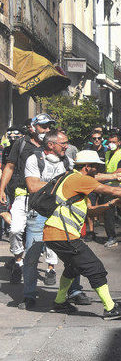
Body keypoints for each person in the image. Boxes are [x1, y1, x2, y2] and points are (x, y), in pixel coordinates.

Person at [44, 150, 121, 319]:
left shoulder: (75, 180)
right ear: (87, 167)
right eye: (96, 166)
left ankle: (60, 302)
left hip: (55, 235)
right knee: (96, 269)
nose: (98, 169)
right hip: (63, 234)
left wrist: (112, 204)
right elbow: (111, 190)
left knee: (73, 268)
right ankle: (110, 308)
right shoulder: (79, 179)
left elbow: (90, 211)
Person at [20, 131, 88, 310]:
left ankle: (74, 291)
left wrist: (112, 177)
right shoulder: (34, 160)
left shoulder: (67, 161)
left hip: (61, 216)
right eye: (63, 143)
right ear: (51, 145)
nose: (67, 146)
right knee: (32, 258)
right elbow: (33, 186)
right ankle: (29, 295)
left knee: (73, 255)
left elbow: (81, 180)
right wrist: (62, 185)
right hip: (39, 215)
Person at [0, 114, 56, 283]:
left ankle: (51, 268)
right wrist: (1, 189)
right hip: (23, 195)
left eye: (49, 127)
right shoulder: (21, 143)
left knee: (50, 232)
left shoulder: (52, 145)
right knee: (16, 230)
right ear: (33, 127)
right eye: (43, 126)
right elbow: (9, 167)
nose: (46, 130)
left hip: (46, 196)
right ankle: (18, 261)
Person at [100, 132, 121, 248]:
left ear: (119, 142)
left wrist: (102, 178)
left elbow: (119, 171)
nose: (111, 144)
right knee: (108, 213)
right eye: (109, 142)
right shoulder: (107, 154)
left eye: (113, 142)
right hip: (109, 189)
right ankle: (112, 238)